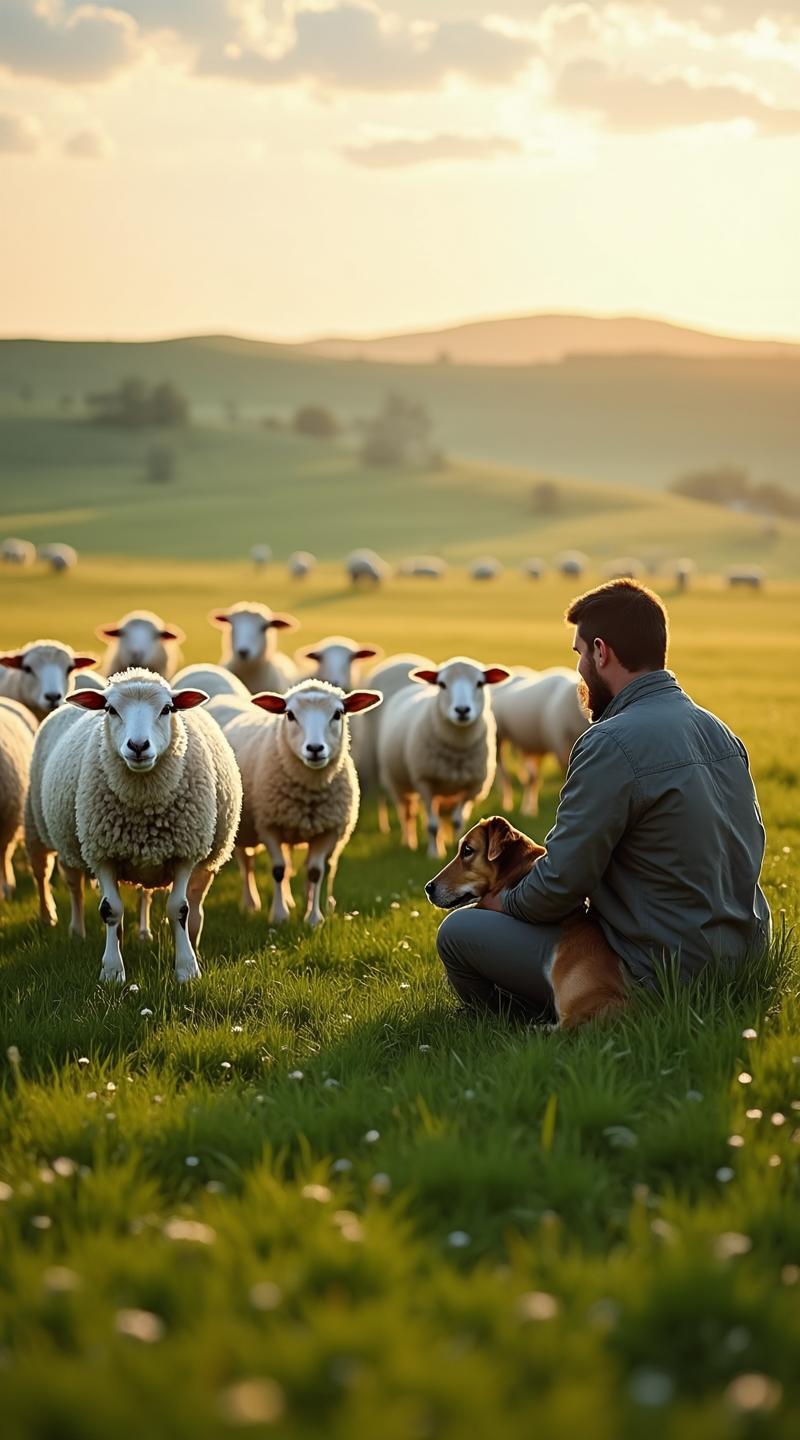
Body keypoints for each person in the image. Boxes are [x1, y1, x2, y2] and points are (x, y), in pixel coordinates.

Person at [436, 578, 772, 1020]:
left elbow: (562, 882)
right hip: (745, 961)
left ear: (600, 652)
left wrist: (506, 902)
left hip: (659, 972)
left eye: (578, 654)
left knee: (458, 931)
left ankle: (530, 1024)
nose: (578, 671)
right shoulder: (720, 732)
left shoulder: (609, 743)